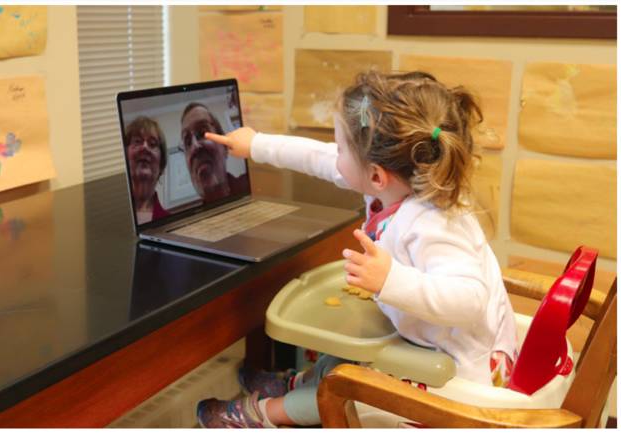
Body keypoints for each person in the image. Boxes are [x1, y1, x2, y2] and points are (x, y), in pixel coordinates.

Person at [195, 70, 519, 428]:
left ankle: (264, 414)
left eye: (342, 147)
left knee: (343, 386)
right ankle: (298, 383)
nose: (335, 155)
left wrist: (391, 280)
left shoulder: (434, 223)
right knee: (345, 353)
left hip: (456, 375)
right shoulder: (395, 181)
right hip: (429, 338)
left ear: (377, 174)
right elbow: (317, 157)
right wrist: (256, 145)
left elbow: (470, 299)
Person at [179, 103, 249, 203]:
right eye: (187, 142)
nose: (195, 146)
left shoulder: (254, 186)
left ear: (224, 146)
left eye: (203, 133)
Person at [125, 116, 170, 223]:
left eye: (152, 144)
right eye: (137, 141)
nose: (144, 147)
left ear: (161, 165)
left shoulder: (169, 224)